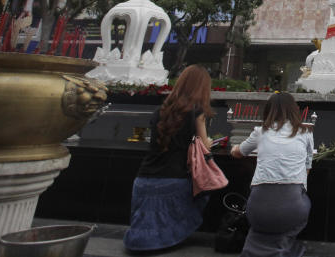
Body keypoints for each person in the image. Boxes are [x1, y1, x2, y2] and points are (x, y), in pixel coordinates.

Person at [124, 65, 215, 252]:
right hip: (175, 181)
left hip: (143, 180)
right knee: (207, 189)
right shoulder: (197, 112)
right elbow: (204, 147)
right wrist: (210, 142)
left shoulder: (161, 110)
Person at [231, 92, 314, 257]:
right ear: (295, 110)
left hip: (258, 210)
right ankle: (282, 246)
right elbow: (307, 168)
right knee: (304, 202)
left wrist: (234, 148)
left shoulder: (261, 131)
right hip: (292, 210)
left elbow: (238, 152)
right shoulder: (306, 132)